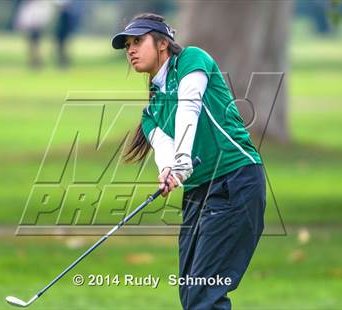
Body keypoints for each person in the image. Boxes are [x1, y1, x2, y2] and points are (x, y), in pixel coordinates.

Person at [111, 13, 266, 310]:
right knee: (191, 294)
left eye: (138, 41)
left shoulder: (192, 60)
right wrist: (169, 170)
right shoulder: (152, 111)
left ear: (163, 44)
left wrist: (183, 159)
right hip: (198, 194)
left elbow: (189, 106)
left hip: (236, 182)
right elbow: (163, 150)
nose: (131, 49)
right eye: (127, 44)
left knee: (203, 296)